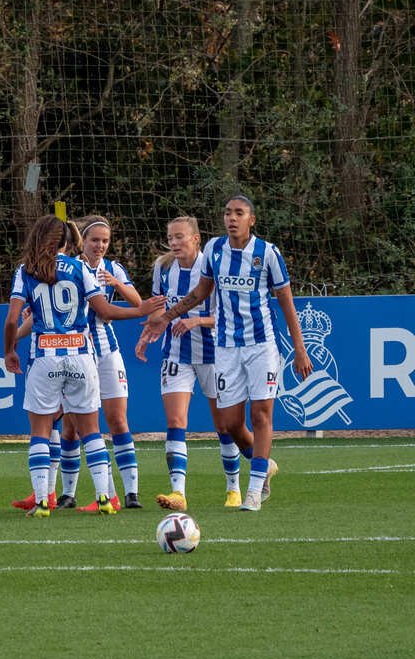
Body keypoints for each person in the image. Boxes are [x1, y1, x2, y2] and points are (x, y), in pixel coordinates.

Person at [142, 195, 313, 511]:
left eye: (239, 213)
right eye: (227, 213)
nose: (231, 218)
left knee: (261, 414)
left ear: (252, 220)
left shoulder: (268, 254)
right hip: (225, 348)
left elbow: (287, 303)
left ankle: (253, 489)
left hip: (262, 345)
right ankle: (264, 465)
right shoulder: (215, 251)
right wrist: (166, 317)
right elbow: (200, 293)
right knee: (230, 424)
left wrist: (299, 349)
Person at [4, 215, 163, 518]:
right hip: (81, 355)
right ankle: (105, 497)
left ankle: (41, 503)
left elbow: (13, 319)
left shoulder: (26, 271)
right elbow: (105, 310)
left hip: (44, 357)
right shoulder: (79, 268)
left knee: (40, 430)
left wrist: (9, 350)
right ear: (67, 242)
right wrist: (139, 310)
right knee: (90, 430)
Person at [134, 216, 242, 510]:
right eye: (170, 238)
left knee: (224, 425)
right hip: (176, 354)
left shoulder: (214, 267)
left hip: (214, 355)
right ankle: (178, 493)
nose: (174, 243)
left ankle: (233, 489)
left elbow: (229, 316)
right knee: (175, 422)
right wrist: (147, 333)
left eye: (180, 237)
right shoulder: (163, 267)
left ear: (196, 239)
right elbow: (160, 309)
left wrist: (197, 320)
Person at [70, 214, 145, 510]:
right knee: (75, 427)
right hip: (76, 350)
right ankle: (79, 493)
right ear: (83, 242)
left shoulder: (113, 268)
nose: (100, 245)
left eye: (105, 241)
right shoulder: (70, 267)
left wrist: (117, 283)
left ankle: (131, 493)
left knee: (117, 420)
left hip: (107, 350)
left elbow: (137, 301)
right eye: (94, 240)